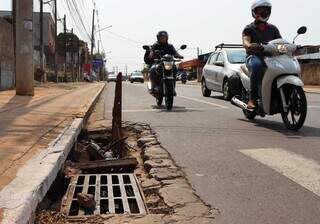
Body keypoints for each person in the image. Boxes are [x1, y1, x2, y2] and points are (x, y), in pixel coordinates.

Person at [242, 0, 282, 108]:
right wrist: (249, 45)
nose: (263, 12)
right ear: (254, 12)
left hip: (270, 57)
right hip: (254, 56)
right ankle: (252, 99)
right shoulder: (249, 28)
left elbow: (280, 41)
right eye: (260, 10)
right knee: (257, 66)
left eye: (265, 10)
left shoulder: (273, 28)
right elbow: (246, 40)